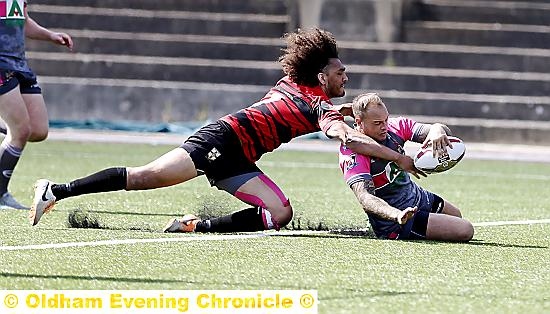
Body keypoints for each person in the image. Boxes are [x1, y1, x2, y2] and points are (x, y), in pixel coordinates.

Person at [30, 28, 424, 231]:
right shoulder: (315, 102)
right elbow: (347, 134)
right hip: (220, 140)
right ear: (321, 75)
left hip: (239, 156)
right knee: (146, 177)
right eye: (340, 72)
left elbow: (334, 112)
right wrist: (400, 157)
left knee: (279, 213)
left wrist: (425, 131)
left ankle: (192, 226)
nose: (346, 76)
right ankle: (55, 191)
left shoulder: (301, 89)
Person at [339, 93, 474, 241]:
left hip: (418, 196)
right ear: (359, 121)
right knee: (465, 229)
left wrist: (437, 130)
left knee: (456, 215)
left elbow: (437, 130)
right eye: (377, 123)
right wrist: (396, 214)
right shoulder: (352, 155)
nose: (385, 127)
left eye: (386, 119)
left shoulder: (394, 127)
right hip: (398, 220)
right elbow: (365, 198)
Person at [0, 0, 73, 209]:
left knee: (38, 130)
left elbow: (23, 21)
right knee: (20, 131)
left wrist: (50, 36)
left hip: (18, 63)